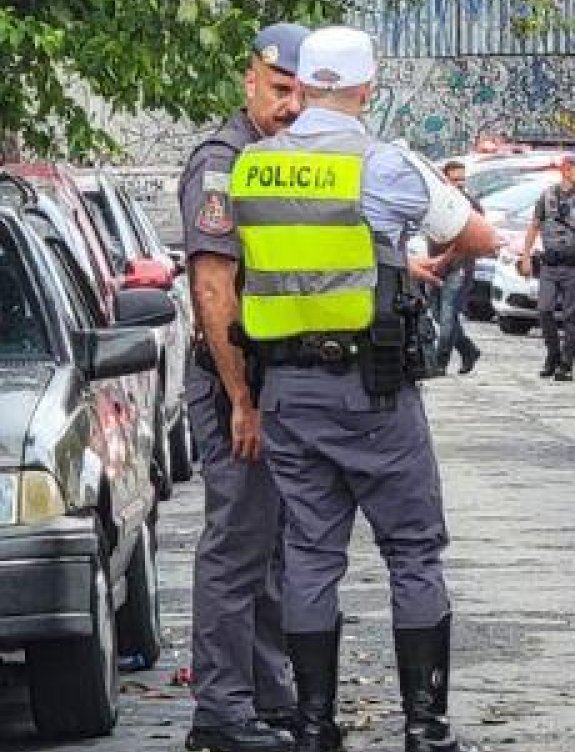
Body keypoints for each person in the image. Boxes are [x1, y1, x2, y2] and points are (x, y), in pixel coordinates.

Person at [228, 26, 498, 752]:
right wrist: (412, 259)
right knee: (413, 552)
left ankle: (314, 727)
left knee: (311, 557)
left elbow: (292, 261)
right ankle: (426, 729)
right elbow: (480, 238)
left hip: (285, 389)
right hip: (372, 391)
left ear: (302, 85)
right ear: (368, 88)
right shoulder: (386, 164)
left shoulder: (252, 167)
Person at [177, 23, 309, 752]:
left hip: (279, 384)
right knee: (236, 547)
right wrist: (241, 401)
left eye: (301, 91)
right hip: (239, 383)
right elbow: (212, 285)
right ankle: (221, 714)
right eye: (279, 88)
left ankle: (269, 694)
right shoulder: (222, 164)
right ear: (249, 81)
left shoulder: (281, 160)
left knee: (271, 545)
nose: (290, 105)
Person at [521, 155, 575, 381]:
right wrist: (525, 256)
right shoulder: (548, 195)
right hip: (550, 263)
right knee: (544, 309)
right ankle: (553, 353)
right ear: (567, 171)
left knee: (571, 315)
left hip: (574, 264)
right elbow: (534, 225)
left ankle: (566, 364)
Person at [431, 161, 482, 375]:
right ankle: (467, 348)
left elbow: (479, 236)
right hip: (435, 265)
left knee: (447, 317)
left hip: (459, 267)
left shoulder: (471, 206)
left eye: (463, 179)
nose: (460, 183)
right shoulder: (436, 201)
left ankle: (439, 362)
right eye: (455, 179)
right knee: (437, 314)